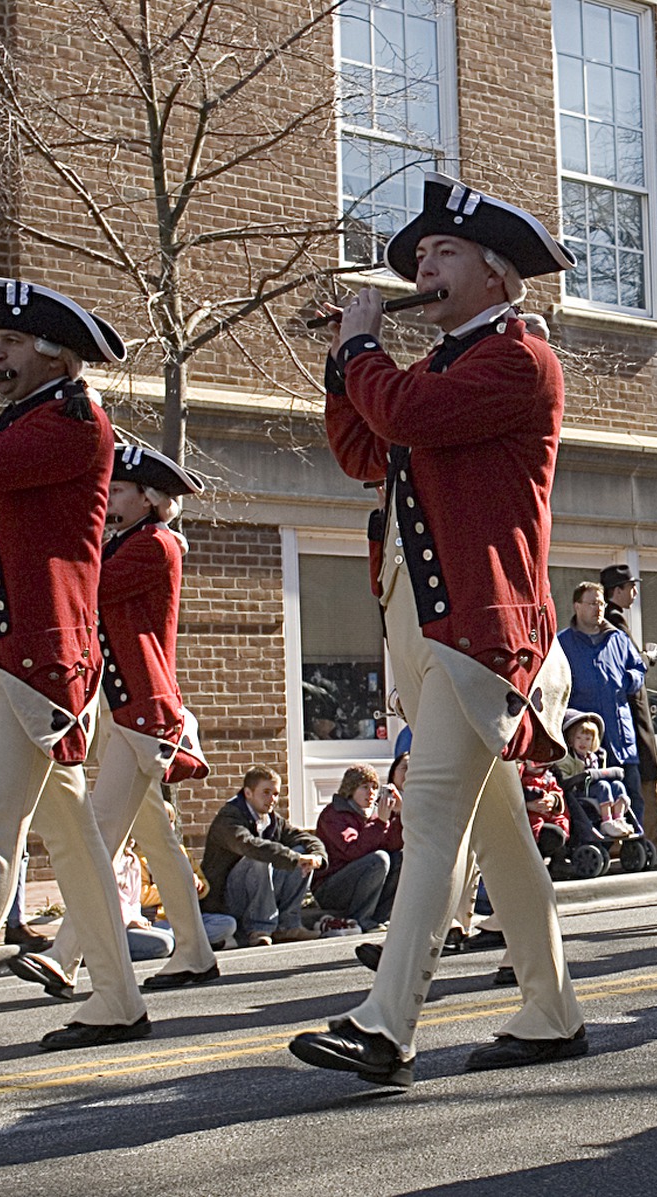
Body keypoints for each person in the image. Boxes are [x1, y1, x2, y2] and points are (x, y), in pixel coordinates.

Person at [292, 172, 588, 1087]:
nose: (425, 263)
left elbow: (404, 416)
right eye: (420, 255)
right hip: (426, 622)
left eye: (443, 251)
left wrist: (361, 350)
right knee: (499, 830)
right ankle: (551, 1009)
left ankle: (388, 1024)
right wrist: (350, 362)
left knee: (428, 818)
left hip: (478, 626)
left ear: (497, 274)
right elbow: (362, 449)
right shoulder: (437, 367)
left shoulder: (517, 358)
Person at [0, 277, 152, 1050]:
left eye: (9, 343)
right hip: (12, 651)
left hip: (39, 655)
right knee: (75, 838)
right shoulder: (26, 418)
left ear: (53, 352)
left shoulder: (74, 420)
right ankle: (116, 997)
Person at [10, 443, 217, 1001]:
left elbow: (87, 593)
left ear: (149, 499)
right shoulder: (126, 542)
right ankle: (195, 951)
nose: (109, 498)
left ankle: (65, 955)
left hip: (142, 710)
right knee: (155, 836)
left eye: (118, 490)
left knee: (98, 834)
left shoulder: (156, 545)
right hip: (126, 707)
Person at [600, 564, 657, 861]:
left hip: (625, 715)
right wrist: (645, 658)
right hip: (631, 716)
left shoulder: (610, 621)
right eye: (631, 587)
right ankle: (655, 838)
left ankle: (631, 839)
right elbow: (627, 666)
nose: (635, 593)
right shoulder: (613, 621)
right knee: (646, 774)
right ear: (618, 591)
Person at [200, 767, 325, 946]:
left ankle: (288, 925)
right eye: (266, 792)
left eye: (275, 794)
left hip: (262, 893)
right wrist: (294, 858)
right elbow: (250, 846)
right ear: (248, 792)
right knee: (260, 857)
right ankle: (259, 929)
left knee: (303, 851)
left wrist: (317, 856)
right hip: (226, 901)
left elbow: (304, 837)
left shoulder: (272, 820)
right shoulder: (228, 818)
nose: (272, 799)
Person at [560, 581, 648, 821]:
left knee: (630, 793)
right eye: (592, 603)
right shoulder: (562, 643)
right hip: (586, 735)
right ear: (577, 606)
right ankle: (599, 845)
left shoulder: (618, 638)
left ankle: (634, 845)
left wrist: (628, 680)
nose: (598, 609)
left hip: (620, 734)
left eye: (601, 603)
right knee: (593, 794)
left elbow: (638, 669)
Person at [313, 763, 404, 933]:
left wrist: (399, 815)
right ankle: (362, 918)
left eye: (374, 787)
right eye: (364, 787)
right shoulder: (334, 814)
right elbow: (352, 850)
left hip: (362, 882)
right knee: (379, 859)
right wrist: (380, 823)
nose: (371, 793)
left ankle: (379, 918)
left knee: (400, 858)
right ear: (351, 789)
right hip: (331, 887)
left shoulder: (376, 813)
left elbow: (393, 844)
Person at [562, 714, 631, 837]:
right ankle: (606, 821)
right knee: (603, 786)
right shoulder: (567, 759)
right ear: (571, 739)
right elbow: (564, 779)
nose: (583, 742)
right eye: (579, 738)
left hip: (594, 789)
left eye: (587, 739)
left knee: (618, 785)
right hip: (578, 791)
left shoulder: (594, 758)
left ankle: (618, 818)